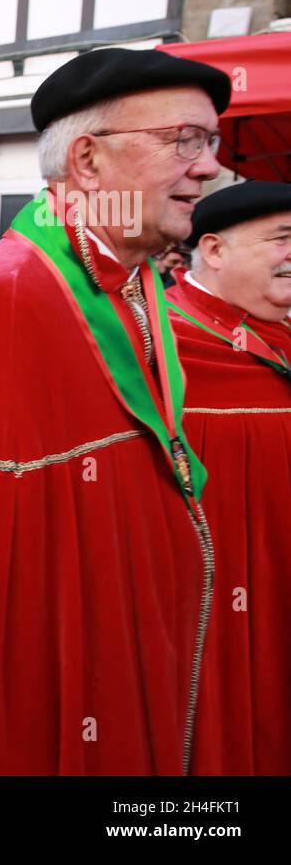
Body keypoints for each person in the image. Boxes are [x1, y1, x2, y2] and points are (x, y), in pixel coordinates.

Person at [0, 47, 231, 774]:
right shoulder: (15, 292)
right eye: (183, 140)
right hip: (52, 694)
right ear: (89, 161)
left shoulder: (131, 282)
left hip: (125, 655)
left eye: (212, 142)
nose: (208, 168)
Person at [163, 181, 291, 774]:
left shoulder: (282, 335)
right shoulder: (156, 345)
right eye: (284, 240)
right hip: (202, 616)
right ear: (212, 250)